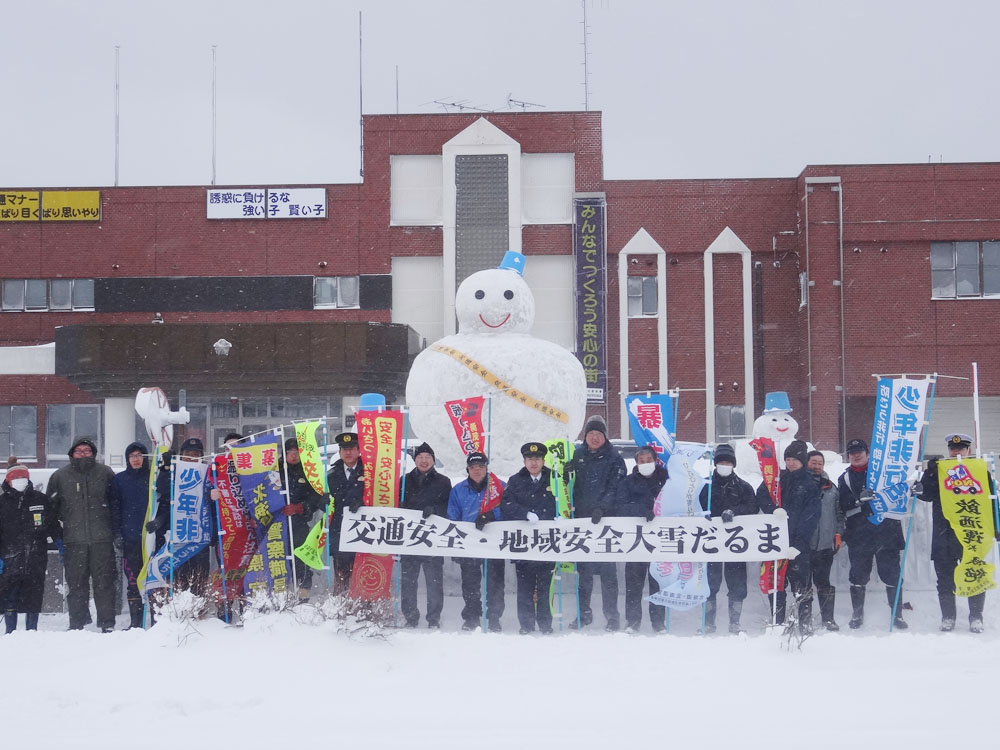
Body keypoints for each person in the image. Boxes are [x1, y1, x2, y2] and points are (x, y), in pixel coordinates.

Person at [918, 433, 997, 633]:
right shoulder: (941, 472)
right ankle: (948, 617)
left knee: (975, 573)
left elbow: (991, 500)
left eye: (961, 448)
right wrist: (929, 473)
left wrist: (996, 525)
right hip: (944, 533)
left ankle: (976, 616)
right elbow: (924, 495)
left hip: (971, 533)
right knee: (944, 577)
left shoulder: (980, 472)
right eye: (953, 449)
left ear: (968, 451)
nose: (956, 452)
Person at [47, 438, 120, 632]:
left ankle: (107, 623)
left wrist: (115, 532)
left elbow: (116, 505)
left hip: (102, 540)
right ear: (72, 453)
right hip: (74, 541)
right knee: (76, 585)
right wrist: (59, 537)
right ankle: (77, 623)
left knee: (104, 583)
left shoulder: (105, 473)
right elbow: (50, 511)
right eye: (79, 450)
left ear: (94, 453)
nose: (83, 454)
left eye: (87, 450)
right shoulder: (60, 477)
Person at [837, 438, 907, 630]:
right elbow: (842, 504)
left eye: (860, 451)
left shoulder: (885, 473)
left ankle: (897, 614)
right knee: (858, 575)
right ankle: (857, 613)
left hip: (887, 532)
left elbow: (901, 489)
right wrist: (859, 501)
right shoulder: (845, 478)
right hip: (859, 533)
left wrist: (914, 488)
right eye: (852, 452)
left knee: (892, 574)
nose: (856, 455)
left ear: (868, 454)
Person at [568, 414, 626, 631]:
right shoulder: (578, 454)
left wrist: (602, 507)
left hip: (606, 523)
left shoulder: (614, 458)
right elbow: (570, 484)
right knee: (583, 574)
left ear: (604, 436)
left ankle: (612, 616)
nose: (594, 438)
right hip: (582, 522)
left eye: (598, 434)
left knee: (608, 574)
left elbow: (616, 487)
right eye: (590, 434)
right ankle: (584, 614)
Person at [757, 440, 820, 633]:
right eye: (788, 459)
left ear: (802, 460)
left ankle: (805, 625)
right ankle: (778, 623)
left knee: (802, 587)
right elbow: (761, 494)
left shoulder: (810, 484)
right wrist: (773, 509)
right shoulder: (777, 479)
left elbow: (812, 516)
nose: (790, 463)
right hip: (775, 543)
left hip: (797, 547)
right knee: (776, 586)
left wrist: (799, 545)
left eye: (794, 459)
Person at [699, 443, 757, 634]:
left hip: (736, 543)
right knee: (710, 582)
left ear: (733, 464)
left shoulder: (743, 487)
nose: (724, 465)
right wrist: (704, 515)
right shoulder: (705, 485)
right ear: (715, 463)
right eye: (721, 461)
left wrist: (735, 512)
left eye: (728, 462)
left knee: (737, 583)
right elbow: (695, 507)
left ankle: (735, 621)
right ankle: (708, 622)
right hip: (711, 542)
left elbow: (752, 507)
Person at [501, 442, 558, 635]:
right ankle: (526, 624)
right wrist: (524, 513)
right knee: (524, 587)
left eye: (537, 459)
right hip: (524, 543)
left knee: (545, 586)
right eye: (530, 459)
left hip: (547, 542)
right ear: (524, 461)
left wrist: (561, 516)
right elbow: (507, 504)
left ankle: (545, 623)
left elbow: (566, 500)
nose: (534, 463)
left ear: (543, 460)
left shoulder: (555, 478)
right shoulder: (516, 480)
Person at [447, 451, 506, 631]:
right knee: (470, 583)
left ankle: (494, 617)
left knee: (495, 583)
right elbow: (452, 516)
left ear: (486, 468)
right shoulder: (458, 489)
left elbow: (509, 509)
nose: (477, 470)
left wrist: (492, 515)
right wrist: (456, 544)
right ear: (467, 470)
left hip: (494, 543)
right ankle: (472, 617)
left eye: (480, 467)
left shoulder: (499, 487)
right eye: (473, 467)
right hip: (469, 544)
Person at [147, 437, 212, 597]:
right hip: (177, 533)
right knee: (177, 575)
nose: (192, 457)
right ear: (181, 455)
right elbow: (162, 491)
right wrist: (166, 468)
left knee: (199, 575)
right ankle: (177, 612)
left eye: (196, 453)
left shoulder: (208, 473)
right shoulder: (174, 471)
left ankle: (198, 609)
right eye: (188, 453)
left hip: (199, 534)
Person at [0, 463, 61, 633]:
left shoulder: (40, 499)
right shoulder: (2, 503)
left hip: (36, 557)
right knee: (10, 596)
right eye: (16, 477)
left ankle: (31, 632)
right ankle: (10, 632)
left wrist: (60, 540)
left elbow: (52, 524)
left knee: (33, 596)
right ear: (8, 480)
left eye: (23, 477)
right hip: (10, 558)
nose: (20, 480)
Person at [398, 442, 451, 628]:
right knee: (408, 582)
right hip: (409, 539)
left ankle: (434, 618)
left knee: (434, 583)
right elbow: (395, 505)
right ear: (415, 460)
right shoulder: (404, 480)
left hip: (432, 539)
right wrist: (401, 508)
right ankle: (411, 617)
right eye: (420, 457)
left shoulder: (444, 482)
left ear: (433, 460)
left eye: (427, 457)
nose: (424, 461)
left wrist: (435, 510)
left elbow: (448, 508)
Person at [616, 445, 668, 633]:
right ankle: (633, 621)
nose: (645, 464)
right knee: (633, 583)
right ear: (636, 463)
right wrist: (641, 511)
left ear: (655, 461)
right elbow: (620, 506)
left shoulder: (666, 480)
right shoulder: (628, 482)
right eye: (641, 461)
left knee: (658, 582)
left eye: (649, 460)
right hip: (636, 540)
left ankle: (658, 621)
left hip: (661, 540)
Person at [279, 437, 327, 599]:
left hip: (299, 523)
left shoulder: (308, 471)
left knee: (301, 558)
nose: (293, 455)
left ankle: (303, 596)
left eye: (296, 452)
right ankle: (280, 596)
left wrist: (301, 507)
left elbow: (316, 496)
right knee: (279, 559)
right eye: (290, 452)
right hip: (277, 525)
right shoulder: (275, 470)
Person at [112, 442, 150, 629]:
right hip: (131, 539)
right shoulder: (119, 480)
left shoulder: (154, 478)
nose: (136, 459)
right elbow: (114, 509)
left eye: (139, 455)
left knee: (155, 580)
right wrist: (117, 533)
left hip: (152, 538)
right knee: (134, 580)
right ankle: (136, 622)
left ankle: (158, 622)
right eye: (132, 455)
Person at [806, 450, 845, 631]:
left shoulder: (831, 487)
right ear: (807, 463)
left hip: (825, 545)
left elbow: (839, 514)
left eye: (820, 463)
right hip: (804, 545)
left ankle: (828, 619)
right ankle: (804, 620)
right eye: (813, 462)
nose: (816, 466)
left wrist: (838, 534)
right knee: (804, 584)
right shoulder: (800, 484)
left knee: (824, 583)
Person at [327, 432, 366, 594]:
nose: (348, 452)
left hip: (364, 529)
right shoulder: (331, 474)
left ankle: (365, 606)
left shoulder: (369, 471)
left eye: (351, 449)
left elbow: (380, 497)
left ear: (358, 450)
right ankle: (341, 605)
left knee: (362, 569)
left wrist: (362, 503)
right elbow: (325, 501)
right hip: (340, 529)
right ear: (339, 452)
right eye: (344, 449)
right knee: (341, 571)